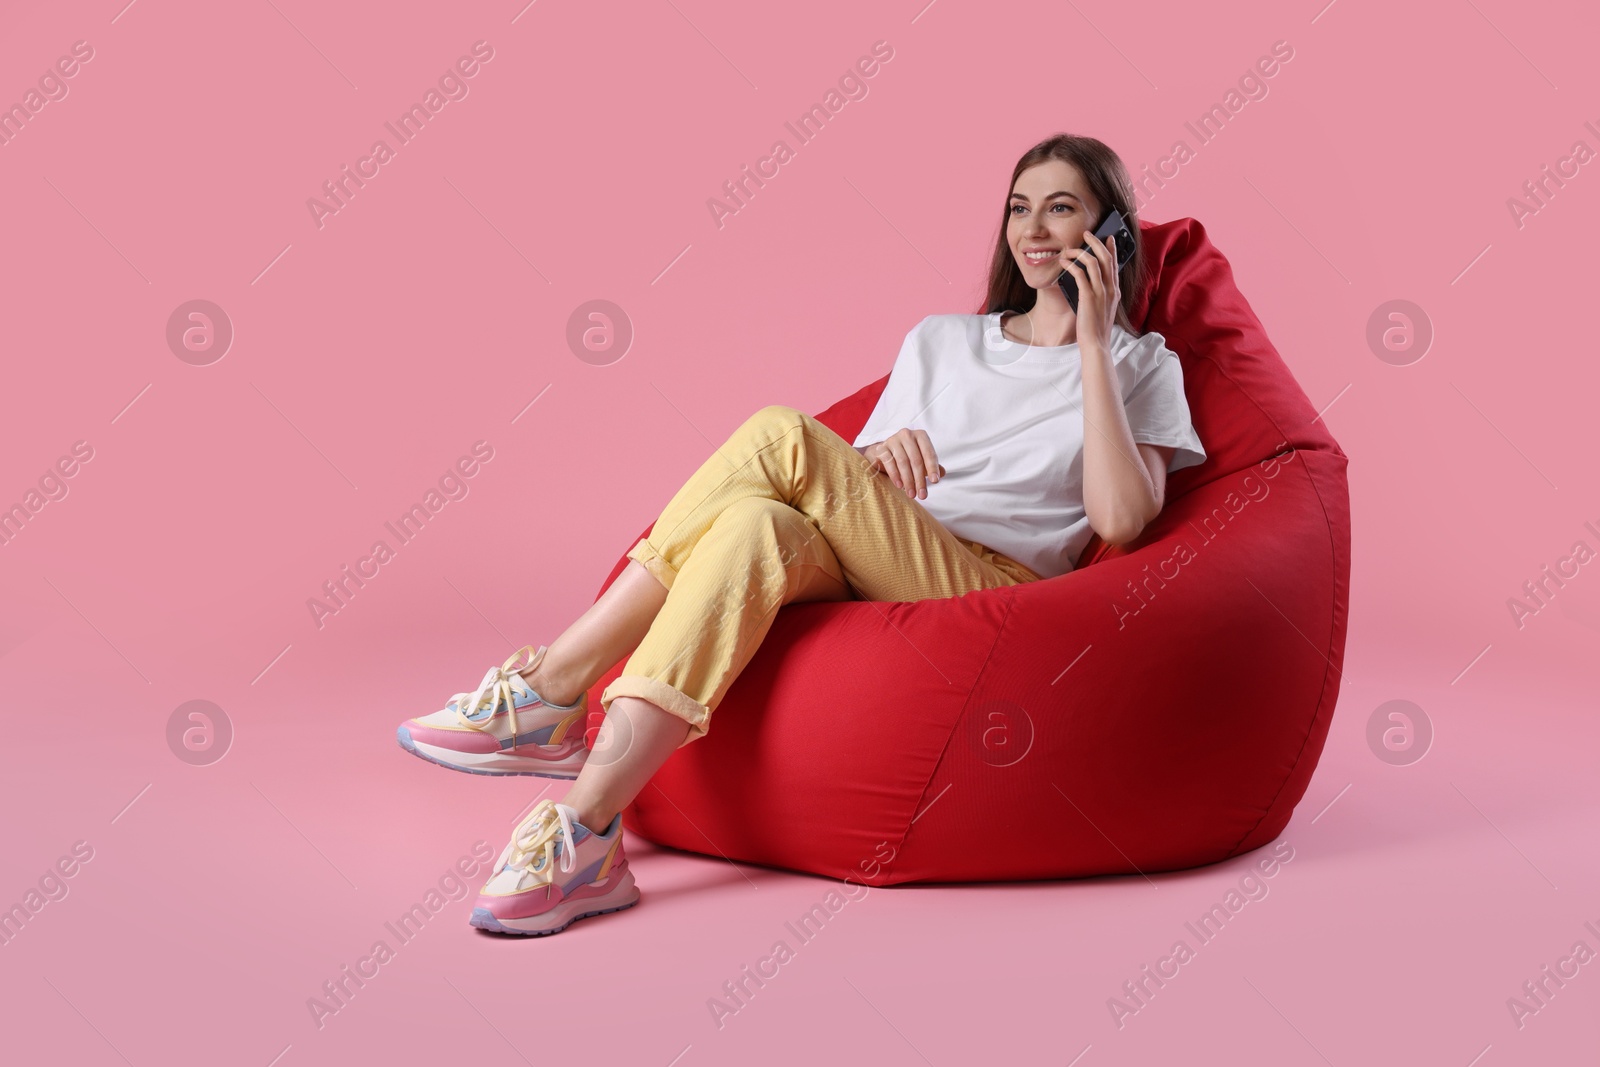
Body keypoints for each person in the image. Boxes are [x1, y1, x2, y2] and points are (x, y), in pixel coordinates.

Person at [395, 132, 1206, 936]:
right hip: (897, 542)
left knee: (781, 432)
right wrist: (875, 459)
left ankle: (555, 687)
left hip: (992, 592)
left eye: (1060, 209)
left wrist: (1095, 342)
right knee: (754, 522)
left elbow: (1122, 520)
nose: (1031, 231)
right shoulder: (943, 341)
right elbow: (850, 482)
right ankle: (586, 832)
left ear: (1111, 233)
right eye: (1018, 209)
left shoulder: (1143, 364)